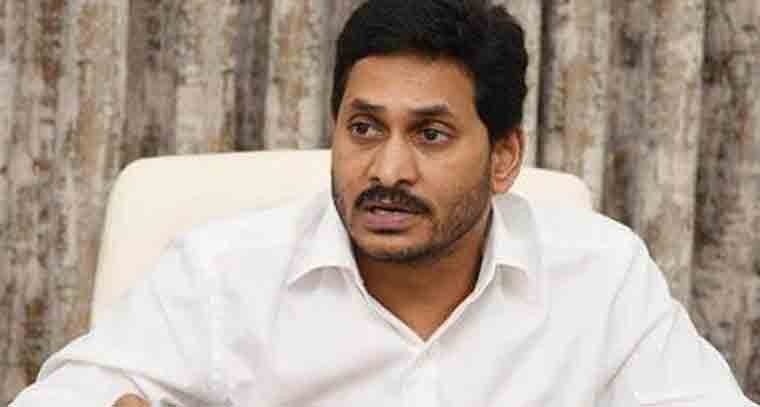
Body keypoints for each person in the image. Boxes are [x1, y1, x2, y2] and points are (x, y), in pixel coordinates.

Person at [11, 0, 758, 406]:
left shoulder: (601, 275)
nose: (387, 169)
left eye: (431, 134)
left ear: (503, 158)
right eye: (364, 128)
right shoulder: (222, 271)